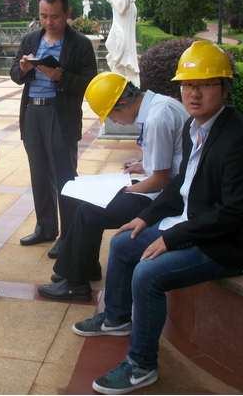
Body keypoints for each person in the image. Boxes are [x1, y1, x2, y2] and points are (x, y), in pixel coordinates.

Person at [73, 41, 243, 394]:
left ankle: (141, 365)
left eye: (205, 85)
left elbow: (232, 213)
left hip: (226, 245)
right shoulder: (196, 127)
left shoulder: (240, 140)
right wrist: (147, 217)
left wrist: (172, 238)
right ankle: (117, 318)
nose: (194, 93)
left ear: (225, 88)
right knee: (124, 242)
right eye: (188, 85)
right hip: (193, 222)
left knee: (148, 273)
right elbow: (180, 183)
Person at [38, 72, 188, 302]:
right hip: (168, 187)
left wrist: (122, 191)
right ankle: (85, 268)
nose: (113, 121)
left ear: (123, 101)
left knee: (90, 211)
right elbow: (169, 159)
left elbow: (160, 180)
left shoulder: (157, 119)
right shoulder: (158, 105)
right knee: (87, 203)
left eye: (110, 114)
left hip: (170, 197)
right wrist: (142, 165)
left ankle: (75, 285)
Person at [10, 0, 97, 248]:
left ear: (67, 14)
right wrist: (23, 69)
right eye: (43, 16)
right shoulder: (31, 39)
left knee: (65, 177)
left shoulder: (80, 44)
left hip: (60, 115)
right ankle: (45, 228)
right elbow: (14, 73)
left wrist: (60, 76)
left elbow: (89, 82)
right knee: (39, 175)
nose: (48, 22)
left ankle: (68, 236)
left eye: (55, 16)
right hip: (32, 113)